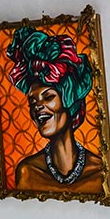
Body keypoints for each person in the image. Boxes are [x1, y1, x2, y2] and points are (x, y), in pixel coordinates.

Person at [7, 26, 103, 194]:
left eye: (48, 96)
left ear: (69, 101)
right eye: (32, 101)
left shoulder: (100, 172)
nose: (37, 106)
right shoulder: (27, 173)